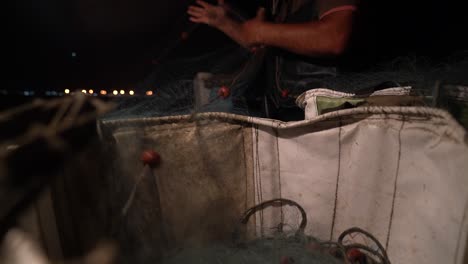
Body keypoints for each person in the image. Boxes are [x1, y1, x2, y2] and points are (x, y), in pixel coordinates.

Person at [188, 0, 362, 120]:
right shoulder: (277, 4)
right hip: (289, 114)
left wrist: (260, 31)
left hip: (333, 115)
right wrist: (226, 23)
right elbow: (260, 42)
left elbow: (333, 37)